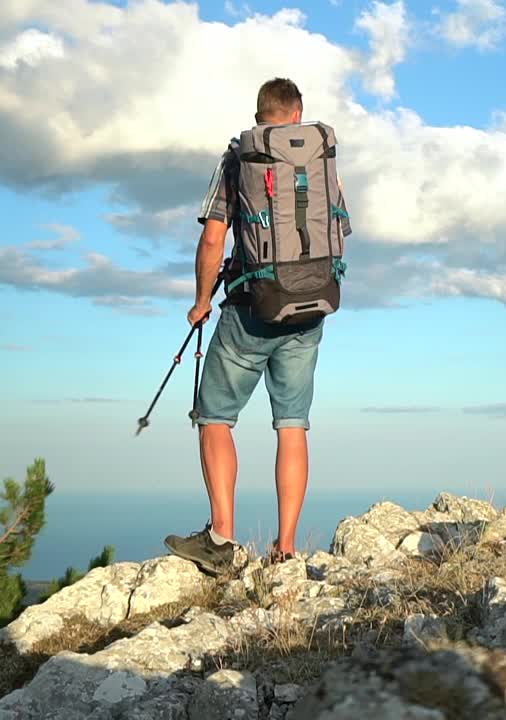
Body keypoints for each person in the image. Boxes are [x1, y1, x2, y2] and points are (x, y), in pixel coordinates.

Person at [164, 77, 329, 574]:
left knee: (214, 415)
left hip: (251, 308)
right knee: (292, 425)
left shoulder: (240, 158)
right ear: (298, 112)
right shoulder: (322, 159)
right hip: (311, 305)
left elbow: (215, 239)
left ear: (259, 115)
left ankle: (221, 539)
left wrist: (200, 301)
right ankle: (286, 547)